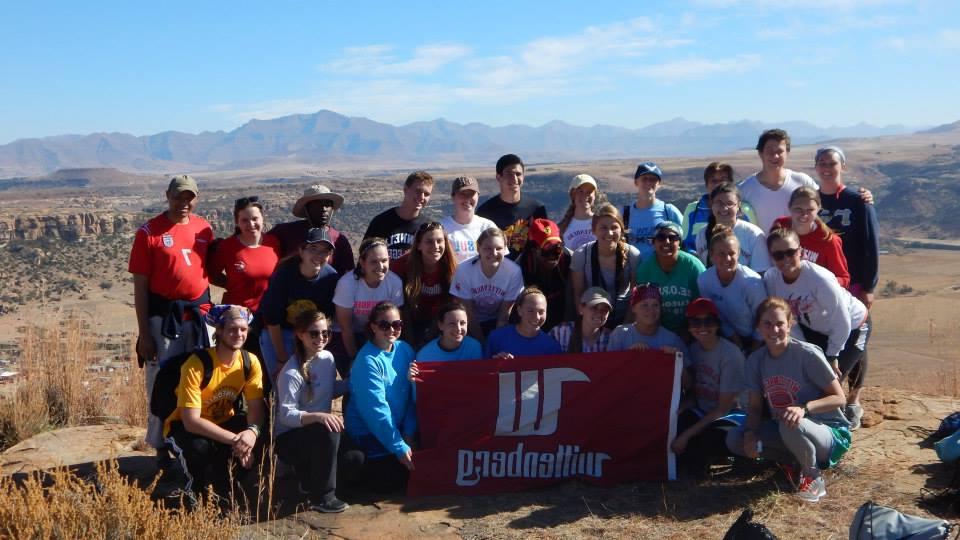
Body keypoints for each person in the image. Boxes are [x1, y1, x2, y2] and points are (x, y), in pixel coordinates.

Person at [726, 297, 851, 503]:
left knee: (789, 422)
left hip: (828, 432)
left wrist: (804, 408)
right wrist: (749, 434)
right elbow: (756, 407)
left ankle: (812, 478)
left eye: (779, 324)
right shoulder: (756, 360)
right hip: (789, 427)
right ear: (758, 327)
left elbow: (839, 398)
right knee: (735, 439)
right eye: (767, 323)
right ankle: (795, 462)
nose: (774, 330)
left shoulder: (807, 355)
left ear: (790, 324)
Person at [129, 174, 214, 460]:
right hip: (164, 320)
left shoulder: (204, 229)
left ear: (196, 198)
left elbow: (211, 271)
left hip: (200, 317)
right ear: (167, 195)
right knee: (162, 381)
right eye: (178, 196)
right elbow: (140, 286)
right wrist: (144, 333)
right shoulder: (149, 232)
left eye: (189, 197)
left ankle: (193, 436)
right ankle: (161, 444)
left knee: (201, 379)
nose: (183, 202)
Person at [763, 227, 870, 429]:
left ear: (800, 251)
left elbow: (842, 321)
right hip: (816, 329)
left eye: (790, 252)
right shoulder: (772, 279)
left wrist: (832, 356)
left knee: (829, 383)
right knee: (810, 378)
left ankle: (838, 428)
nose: (785, 259)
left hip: (854, 325)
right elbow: (788, 320)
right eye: (778, 254)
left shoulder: (819, 278)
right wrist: (800, 350)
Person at [162, 305, 265, 502]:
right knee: (199, 449)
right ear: (219, 331)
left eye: (243, 329)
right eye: (232, 329)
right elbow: (191, 421)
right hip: (184, 428)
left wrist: (251, 433)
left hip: (224, 422)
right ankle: (194, 495)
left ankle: (226, 490)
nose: (239, 334)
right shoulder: (196, 364)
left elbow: (256, 408)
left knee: (260, 438)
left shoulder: (250, 362)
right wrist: (237, 441)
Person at [274, 310, 353, 513]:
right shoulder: (291, 372)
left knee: (355, 459)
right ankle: (322, 497)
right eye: (314, 333)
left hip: (318, 434)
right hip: (290, 439)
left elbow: (328, 390)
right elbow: (286, 415)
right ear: (300, 334)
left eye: (325, 333)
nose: (321, 338)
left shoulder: (327, 358)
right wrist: (318, 416)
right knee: (328, 430)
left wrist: (353, 382)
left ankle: (308, 479)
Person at [344, 302, 417, 492]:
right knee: (395, 483)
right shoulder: (368, 361)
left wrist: (409, 433)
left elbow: (411, 396)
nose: (391, 329)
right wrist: (399, 446)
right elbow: (376, 411)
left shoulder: (405, 349)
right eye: (384, 325)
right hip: (368, 432)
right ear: (373, 326)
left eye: (397, 324)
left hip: (396, 428)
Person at [259, 228, 340, 383]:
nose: (319, 256)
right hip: (279, 333)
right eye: (313, 249)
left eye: (325, 251)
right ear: (302, 251)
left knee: (308, 384)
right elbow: (272, 320)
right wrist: (282, 358)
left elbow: (326, 318)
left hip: (310, 335)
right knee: (283, 383)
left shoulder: (331, 277)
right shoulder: (284, 274)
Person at [672, 298, 745, 469]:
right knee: (674, 429)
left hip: (732, 416)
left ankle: (728, 458)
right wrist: (677, 411)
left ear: (717, 324)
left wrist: (687, 436)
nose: (702, 327)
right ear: (689, 327)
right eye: (696, 322)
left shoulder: (730, 355)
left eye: (708, 321)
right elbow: (695, 394)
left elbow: (723, 409)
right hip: (703, 411)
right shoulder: (693, 350)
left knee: (695, 451)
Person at [208, 196, 281, 358]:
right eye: (245, 220)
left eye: (255, 219)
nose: (251, 224)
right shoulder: (228, 247)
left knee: (265, 368)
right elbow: (211, 275)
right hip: (237, 320)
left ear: (263, 218)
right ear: (237, 222)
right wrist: (231, 283)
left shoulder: (273, 243)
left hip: (268, 317)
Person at [815, 146, 880, 308]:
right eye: (822, 163)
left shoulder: (858, 202)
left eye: (832, 163)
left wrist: (869, 287)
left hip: (852, 282)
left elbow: (871, 246)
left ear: (843, 166)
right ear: (816, 167)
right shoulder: (809, 203)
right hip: (817, 282)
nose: (827, 168)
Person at [334, 237, 405, 365]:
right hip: (349, 336)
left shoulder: (394, 283)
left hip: (379, 332)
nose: (380, 266)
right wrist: (355, 359)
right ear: (362, 262)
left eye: (384, 261)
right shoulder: (347, 284)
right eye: (374, 262)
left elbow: (394, 323)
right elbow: (346, 327)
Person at [696, 225, 767, 350]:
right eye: (721, 254)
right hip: (727, 337)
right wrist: (735, 341)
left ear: (738, 253)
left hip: (759, 340)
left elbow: (764, 318)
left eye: (731, 253)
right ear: (711, 254)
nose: (727, 259)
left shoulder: (752, 282)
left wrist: (752, 350)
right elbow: (716, 316)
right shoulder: (704, 280)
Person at [570, 203, 641, 328]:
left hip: (624, 318)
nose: (609, 233)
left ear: (622, 230)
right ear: (594, 230)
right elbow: (578, 294)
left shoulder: (633, 255)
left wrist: (625, 328)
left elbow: (636, 296)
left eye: (614, 227)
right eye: (603, 227)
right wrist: (586, 325)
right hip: (592, 319)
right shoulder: (581, 255)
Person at [737, 129, 820, 233]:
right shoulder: (745, 189)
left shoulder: (803, 181)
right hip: (759, 249)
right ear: (760, 153)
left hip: (799, 248)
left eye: (779, 151)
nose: (775, 156)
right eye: (770, 151)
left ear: (787, 153)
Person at [390, 221, 457, 348]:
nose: (436, 246)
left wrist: (429, 337)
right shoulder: (401, 266)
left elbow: (451, 306)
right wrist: (410, 342)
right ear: (419, 245)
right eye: (429, 241)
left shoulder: (452, 268)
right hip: (408, 322)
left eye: (439, 241)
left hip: (439, 324)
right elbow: (400, 307)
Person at [449, 227, 525, 339]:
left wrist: (495, 342)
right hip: (470, 322)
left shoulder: (513, 271)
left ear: (505, 249)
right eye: (487, 248)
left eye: (499, 248)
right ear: (478, 248)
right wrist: (482, 343)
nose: (493, 253)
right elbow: (469, 314)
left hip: (498, 320)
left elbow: (504, 315)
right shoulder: (464, 270)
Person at [634, 221, 706, 337]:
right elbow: (641, 307)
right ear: (653, 242)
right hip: (656, 331)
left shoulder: (694, 266)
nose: (667, 242)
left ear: (680, 243)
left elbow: (703, 305)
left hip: (692, 331)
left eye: (672, 238)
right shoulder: (645, 270)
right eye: (661, 237)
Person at [772, 186, 851, 288]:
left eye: (810, 210)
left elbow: (844, 278)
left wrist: (820, 283)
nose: (804, 215)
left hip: (815, 298)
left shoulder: (828, 240)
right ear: (789, 207)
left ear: (818, 209)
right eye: (798, 209)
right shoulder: (780, 226)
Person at [268, 184, 355, 275]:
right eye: (318, 204)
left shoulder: (339, 240)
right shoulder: (285, 232)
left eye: (328, 204)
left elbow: (348, 275)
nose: (324, 209)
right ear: (307, 208)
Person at [476, 154, 547, 258]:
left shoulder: (537, 209)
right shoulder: (484, 212)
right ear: (498, 177)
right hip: (497, 270)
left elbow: (545, 243)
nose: (514, 178)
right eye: (509, 174)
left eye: (518, 174)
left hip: (528, 270)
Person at [682, 162, 758, 254]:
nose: (718, 184)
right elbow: (685, 244)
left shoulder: (745, 210)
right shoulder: (693, 210)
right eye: (713, 181)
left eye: (723, 180)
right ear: (706, 185)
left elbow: (754, 240)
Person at [695, 182, 770, 273]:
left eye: (729, 203)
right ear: (711, 204)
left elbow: (761, 273)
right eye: (719, 203)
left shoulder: (754, 235)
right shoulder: (702, 234)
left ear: (738, 206)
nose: (724, 208)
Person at [514, 218, 573, 332]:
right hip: (533, 317)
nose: (553, 256)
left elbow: (573, 296)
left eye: (557, 249)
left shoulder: (569, 258)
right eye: (547, 250)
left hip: (563, 313)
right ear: (534, 249)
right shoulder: (521, 265)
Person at [608, 284, 690, 365]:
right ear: (633, 308)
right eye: (644, 305)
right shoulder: (619, 335)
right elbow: (608, 371)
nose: (651, 310)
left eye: (655, 305)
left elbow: (689, 377)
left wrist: (677, 361)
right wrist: (628, 355)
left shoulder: (673, 340)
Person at [364, 171, 434, 259]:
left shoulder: (427, 227)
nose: (422, 197)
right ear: (405, 190)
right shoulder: (381, 222)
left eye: (427, 194)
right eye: (418, 191)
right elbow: (365, 257)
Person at [622, 161, 684, 260]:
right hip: (631, 271)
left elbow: (684, 239)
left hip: (660, 271)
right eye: (644, 179)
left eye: (653, 179)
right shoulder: (624, 213)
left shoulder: (668, 211)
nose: (648, 183)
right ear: (636, 182)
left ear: (659, 184)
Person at [486, 287, 563, 359]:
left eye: (541, 312)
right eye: (530, 311)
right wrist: (497, 363)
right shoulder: (496, 338)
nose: (537, 317)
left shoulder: (552, 347)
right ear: (519, 310)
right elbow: (484, 369)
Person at [441, 176, 497, 264]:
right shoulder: (442, 228)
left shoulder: (488, 227)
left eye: (471, 194)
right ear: (453, 197)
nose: (467, 198)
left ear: (478, 196)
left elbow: (500, 259)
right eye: (462, 194)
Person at [415, 301, 484, 362]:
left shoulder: (474, 347)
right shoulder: (425, 355)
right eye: (452, 324)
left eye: (462, 323)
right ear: (440, 325)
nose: (458, 329)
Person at [549, 287, 613, 353]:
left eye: (605, 309)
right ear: (581, 309)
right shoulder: (560, 332)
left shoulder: (611, 338)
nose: (599, 313)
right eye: (594, 307)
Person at [557, 174, 604, 250]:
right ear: (573, 195)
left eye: (589, 191)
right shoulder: (561, 229)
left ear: (595, 195)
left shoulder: (602, 223)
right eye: (580, 191)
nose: (585, 195)